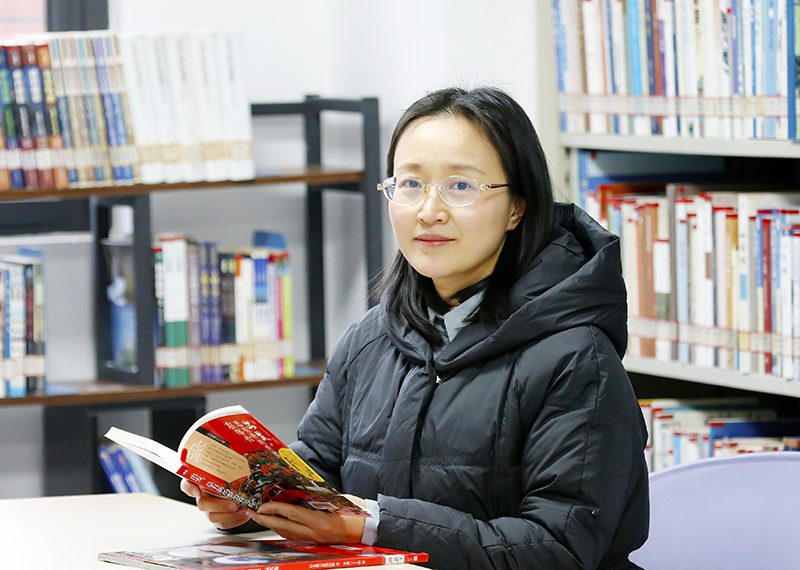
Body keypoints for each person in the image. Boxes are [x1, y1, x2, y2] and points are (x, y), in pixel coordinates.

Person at [181, 86, 650, 569]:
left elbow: (561, 548)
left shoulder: (577, 357)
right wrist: (249, 503)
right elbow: (320, 473)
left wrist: (373, 525)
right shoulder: (368, 339)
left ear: (517, 206)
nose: (429, 211)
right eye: (410, 184)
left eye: (461, 186)